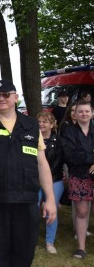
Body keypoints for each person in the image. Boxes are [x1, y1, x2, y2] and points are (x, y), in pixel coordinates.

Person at [0, 80, 56, 267]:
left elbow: (42, 163)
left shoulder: (31, 126)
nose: (1, 99)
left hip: (26, 200)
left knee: (24, 254)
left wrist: (49, 199)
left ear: (15, 97)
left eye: (6, 94)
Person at [60, 101, 94, 259]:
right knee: (82, 211)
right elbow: (70, 155)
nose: (84, 114)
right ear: (75, 114)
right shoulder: (68, 131)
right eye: (81, 111)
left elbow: (80, 154)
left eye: (87, 111)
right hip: (79, 175)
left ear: (92, 113)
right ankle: (81, 247)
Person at [37, 111, 64, 254]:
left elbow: (58, 162)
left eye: (45, 121)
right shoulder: (32, 139)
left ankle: (49, 242)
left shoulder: (59, 141)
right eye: (39, 121)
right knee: (32, 207)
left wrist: (46, 177)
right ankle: (30, 237)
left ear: (52, 124)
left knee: (51, 211)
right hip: (34, 180)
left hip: (54, 180)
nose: (41, 124)